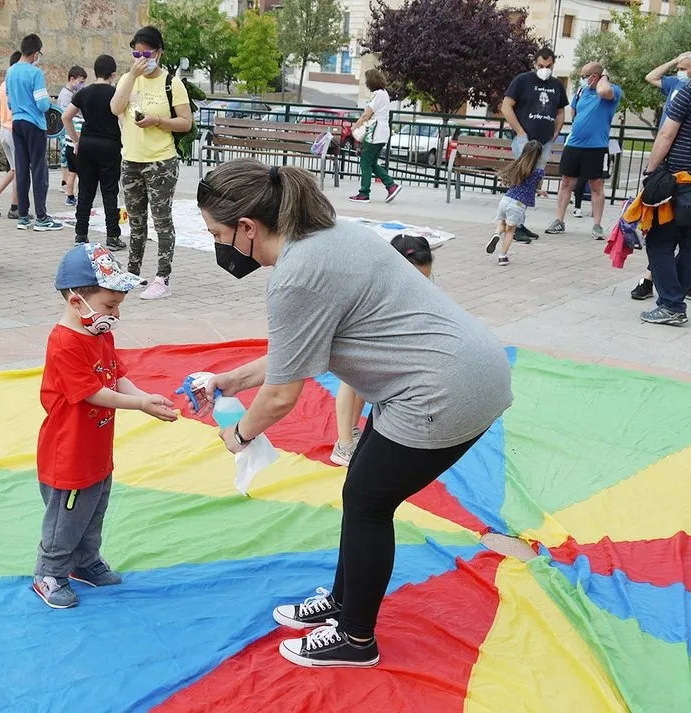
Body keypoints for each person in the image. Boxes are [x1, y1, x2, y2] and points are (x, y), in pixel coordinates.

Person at [194, 158, 512, 668]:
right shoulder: (335, 233)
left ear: (248, 227)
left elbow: (281, 396)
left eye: (218, 234)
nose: (220, 246)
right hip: (466, 368)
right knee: (362, 493)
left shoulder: (296, 275)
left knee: (367, 502)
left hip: (440, 391)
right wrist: (232, 380)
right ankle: (344, 603)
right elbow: (297, 345)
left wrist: (239, 434)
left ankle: (356, 638)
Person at [33, 242, 179, 608]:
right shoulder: (64, 342)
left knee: (94, 508)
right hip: (67, 453)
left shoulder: (101, 334)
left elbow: (116, 378)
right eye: (109, 305)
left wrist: (147, 396)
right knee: (65, 518)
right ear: (76, 301)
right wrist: (140, 405)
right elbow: (94, 393)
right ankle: (49, 571)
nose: (115, 314)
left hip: (95, 448)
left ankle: (85, 561)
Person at [330, 234, 433, 467]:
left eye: (426, 279)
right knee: (352, 379)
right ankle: (344, 444)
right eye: (418, 279)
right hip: (355, 336)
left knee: (363, 380)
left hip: (378, 340)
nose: (422, 286)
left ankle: (352, 433)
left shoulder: (405, 285)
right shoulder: (371, 286)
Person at [110, 26, 193, 300]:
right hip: (130, 159)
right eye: (136, 52)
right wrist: (132, 76)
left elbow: (185, 122)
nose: (141, 58)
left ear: (158, 52)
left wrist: (158, 121)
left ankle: (162, 278)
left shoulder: (172, 83)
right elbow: (114, 107)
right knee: (135, 221)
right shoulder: (128, 78)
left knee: (161, 221)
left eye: (146, 53)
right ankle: (133, 272)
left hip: (160, 162)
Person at [631, 52, 691, 303]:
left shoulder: (689, 93)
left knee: (660, 241)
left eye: (683, 68)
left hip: (678, 180)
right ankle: (675, 298)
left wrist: (651, 172)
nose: (679, 73)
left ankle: (672, 304)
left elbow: (666, 135)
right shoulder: (681, 88)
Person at [544, 62, 622, 240]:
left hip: (597, 147)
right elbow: (574, 111)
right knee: (566, 183)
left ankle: (597, 225)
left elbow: (603, 92)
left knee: (596, 186)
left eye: (584, 75)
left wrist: (605, 78)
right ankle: (559, 220)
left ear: (595, 76)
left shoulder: (612, 90)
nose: (582, 79)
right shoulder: (581, 91)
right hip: (574, 145)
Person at [501, 47, 568, 243]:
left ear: (553, 65)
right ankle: (513, 225)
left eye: (548, 66)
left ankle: (519, 223)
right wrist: (521, 133)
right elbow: (506, 106)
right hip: (525, 141)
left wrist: (556, 132)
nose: (544, 69)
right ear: (534, 64)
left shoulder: (556, 85)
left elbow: (561, 110)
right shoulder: (522, 80)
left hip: (544, 141)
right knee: (521, 181)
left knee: (532, 183)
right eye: (540, 65)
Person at [66, 54, 126, 251]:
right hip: (109, 145)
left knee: (86, 190)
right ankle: (113, 236)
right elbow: (123, 120)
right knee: (110, 191)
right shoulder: (115, 93)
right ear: (113, 74)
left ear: (95, 71)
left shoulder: (84, 93)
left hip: (87, 144)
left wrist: (75, 140)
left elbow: (66, 117)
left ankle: (80, 234)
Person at [5, 33, 63, 232]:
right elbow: (42, 104)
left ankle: (23, 216)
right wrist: (48, 103)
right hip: (34, 124)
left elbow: (9, 102)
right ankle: (41, 217)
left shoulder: (10, 71)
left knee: (21, 169)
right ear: (36, 53)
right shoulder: (35, 73)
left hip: (17, 122)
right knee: (39, 170)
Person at [485, 140, 545, 266]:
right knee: (510, 231)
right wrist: (540, 190)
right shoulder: (538, 172)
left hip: (505, 200)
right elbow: (534, 186)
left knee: (502, 222)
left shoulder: (517, 165)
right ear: (539, 156)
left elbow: (517, 183)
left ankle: (496, 234)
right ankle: (502, 256)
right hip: (518, 205)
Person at [348, 69, 401, 204]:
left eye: (366, 80)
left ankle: (364, 193)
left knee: (365, 162)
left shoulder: (376, 95)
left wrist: (355, 126)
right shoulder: (384, 94)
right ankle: (391, 185)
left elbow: (367, 115)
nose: (365, 83)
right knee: (371, 163)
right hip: (383, 133)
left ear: (370, 81)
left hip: (374, 133)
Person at [0, 51, 21, 220]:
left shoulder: (3, 84)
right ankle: (15, 207)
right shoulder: (17, 84)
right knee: (19, 170)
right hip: (14, 130)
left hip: (3, 129)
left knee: (15, 169)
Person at [59, 66, 88, 207]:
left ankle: (69, 196)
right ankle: (81, 197)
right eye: (81, 82)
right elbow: (79, 133)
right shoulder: (78, 120)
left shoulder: (74, 119)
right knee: (81, 174)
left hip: (69, 146)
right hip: (76, 148)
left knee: (71, 173)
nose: (82, 85)